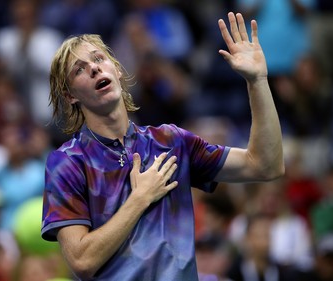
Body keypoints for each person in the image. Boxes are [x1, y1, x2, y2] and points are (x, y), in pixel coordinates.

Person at [41, 12, 284, 280]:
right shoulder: (67, 162)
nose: (94, 68)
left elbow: (264, 165)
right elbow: (81, 261)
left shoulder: (171, 141)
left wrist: (257, 82)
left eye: (99, 59)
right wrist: (140, 199)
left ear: (117, 69)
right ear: (70, 95)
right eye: (79, 69)